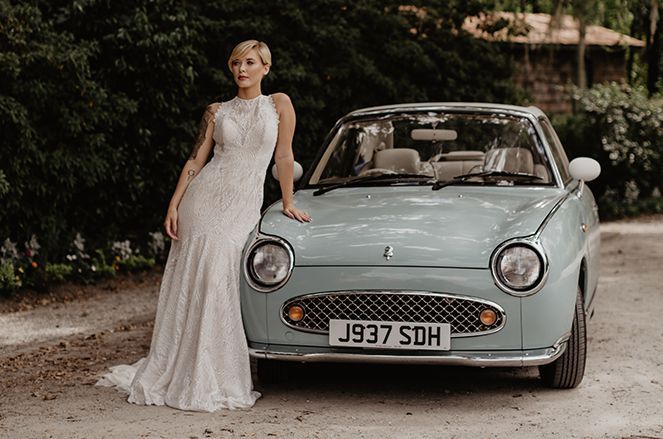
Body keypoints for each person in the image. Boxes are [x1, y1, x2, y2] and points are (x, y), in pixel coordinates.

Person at [96, 40, 311, 412]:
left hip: (242, 204)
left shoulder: (279, 104)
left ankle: (214, 372)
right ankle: (184, 368)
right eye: (236, 62)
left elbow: (285, 155)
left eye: (249, 62)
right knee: (198, 278)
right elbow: (196, 160)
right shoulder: (217, 111)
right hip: (204, 200)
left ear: (266, 68)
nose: (241, 69)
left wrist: (289, 201)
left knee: (218, 277)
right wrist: (175, 203)